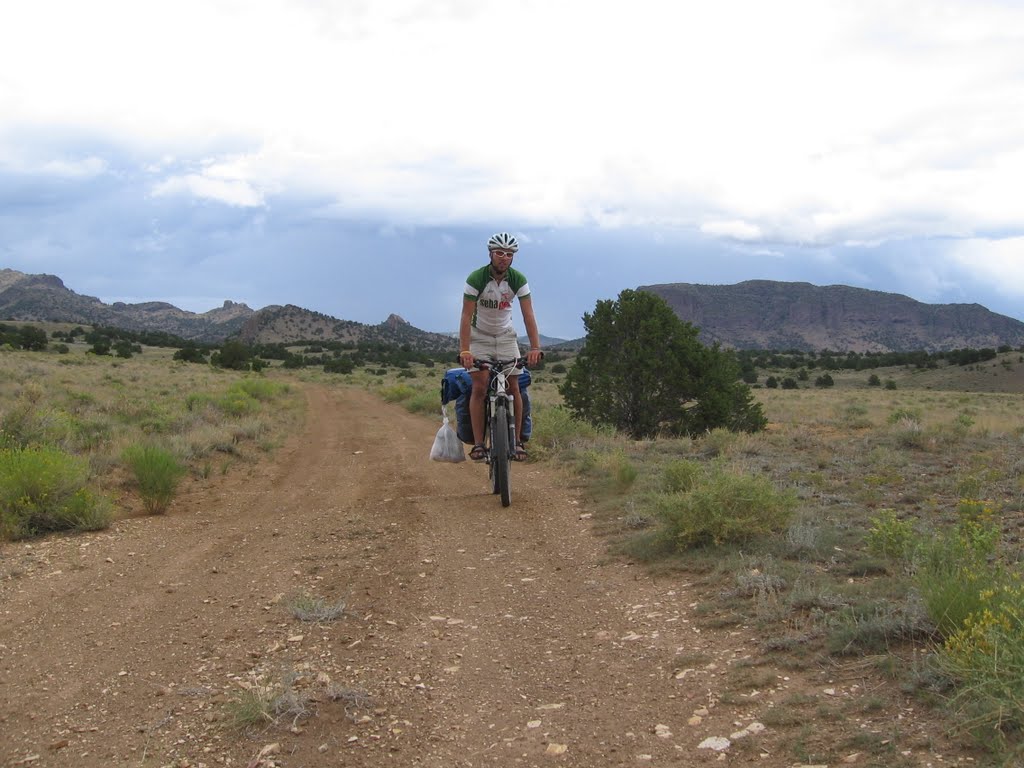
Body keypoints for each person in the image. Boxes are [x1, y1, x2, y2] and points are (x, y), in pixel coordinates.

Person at [459, 232, 542, 462]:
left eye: (508, 254)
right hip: (480, 336)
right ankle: (478, 444)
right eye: (499, 253)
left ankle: (516, 443)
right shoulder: (476, 278)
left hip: (506, 336)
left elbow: (528, 315)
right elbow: (466, 316)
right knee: (480, 385)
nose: (504, 258)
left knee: (515, 386)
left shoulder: (517, 279)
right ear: (490, 254)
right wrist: (465, 350)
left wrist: (535, 347)